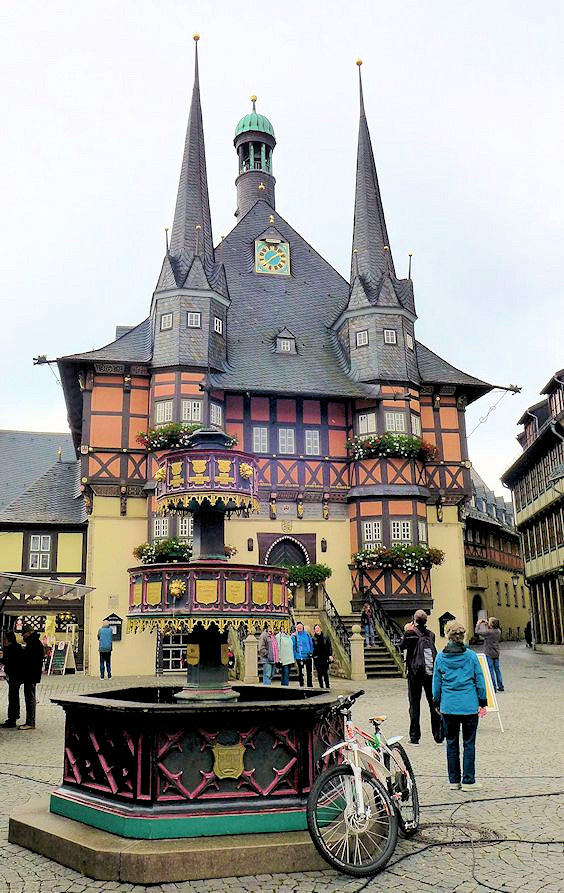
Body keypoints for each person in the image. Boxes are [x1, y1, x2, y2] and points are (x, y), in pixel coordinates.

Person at [433, 620, 487, 791]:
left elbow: (436, 683)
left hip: (448, 706)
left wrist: (437, 701)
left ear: (448, 635)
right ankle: (468, 780)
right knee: (469, 743)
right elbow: (479, 679)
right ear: (463, 636)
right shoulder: (471, 656)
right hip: (469, 705)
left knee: (451, 743)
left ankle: (454, 780)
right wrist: (482, 701)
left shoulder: (441, 657)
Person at [400, 609, 443, 745]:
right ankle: (438, 735)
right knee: (433, 704)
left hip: (415, 672)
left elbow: (401, 646)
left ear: (414, 620)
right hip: (430, 673)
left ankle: (414, 737)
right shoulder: (431, 635)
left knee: (414, 704)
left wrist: (407, 630)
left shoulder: (410, 634)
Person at [19, 625, 45, 730]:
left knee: (29, 698)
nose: (22, 636)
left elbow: (28, 659)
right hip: (32, 674)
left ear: (28, 633)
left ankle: (30, 722)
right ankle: (30, 721)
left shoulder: (33, 644)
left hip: (30, 674)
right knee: (30, 697)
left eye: (23, 634)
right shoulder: (35, 642)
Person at [1, 631, 24, 728]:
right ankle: (13, 717)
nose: (3, 641)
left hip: (14, 676)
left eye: (5, 639)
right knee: (13, 696)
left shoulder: (12, 649)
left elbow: (10, 662)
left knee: (13, 697)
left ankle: (12, 718)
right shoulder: (16, 647)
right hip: (16, 675)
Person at [475, 617, 504, 691]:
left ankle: (493, 687)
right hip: (496, 653)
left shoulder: (489, 632)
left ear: (491, 624)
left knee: (490, 670)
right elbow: (489, 630)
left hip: (489, 653)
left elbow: (477, 632)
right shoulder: (498, 631)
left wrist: (478, 624)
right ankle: (500, 686)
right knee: (497, 670)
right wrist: (488, 624)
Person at [292, 622, 313, 687]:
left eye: (300, 627)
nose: (299, 628)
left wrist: (311, 651)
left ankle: (310, 684)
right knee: (301, 672)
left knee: (309, 672)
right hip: (299, 656)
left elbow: (311, 643)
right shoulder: (295, 636)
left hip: (308, 655)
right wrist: (295, 656)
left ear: (303, 627)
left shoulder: (307, 634)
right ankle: (301, 684)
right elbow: (293, 646)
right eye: (298, 627)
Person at [312, 623, 333, 689]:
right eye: (315, 629)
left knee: (325, 672)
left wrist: (330, 655)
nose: (317, 630)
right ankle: (321, 686)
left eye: (318, 628)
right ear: (314, 630)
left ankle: (327, 686)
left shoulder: (326, 637)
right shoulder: (313, 638)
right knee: (319, 673)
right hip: (317, 658)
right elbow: (312, 648)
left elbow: (329, 646)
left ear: (320, 629)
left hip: (325, 657)